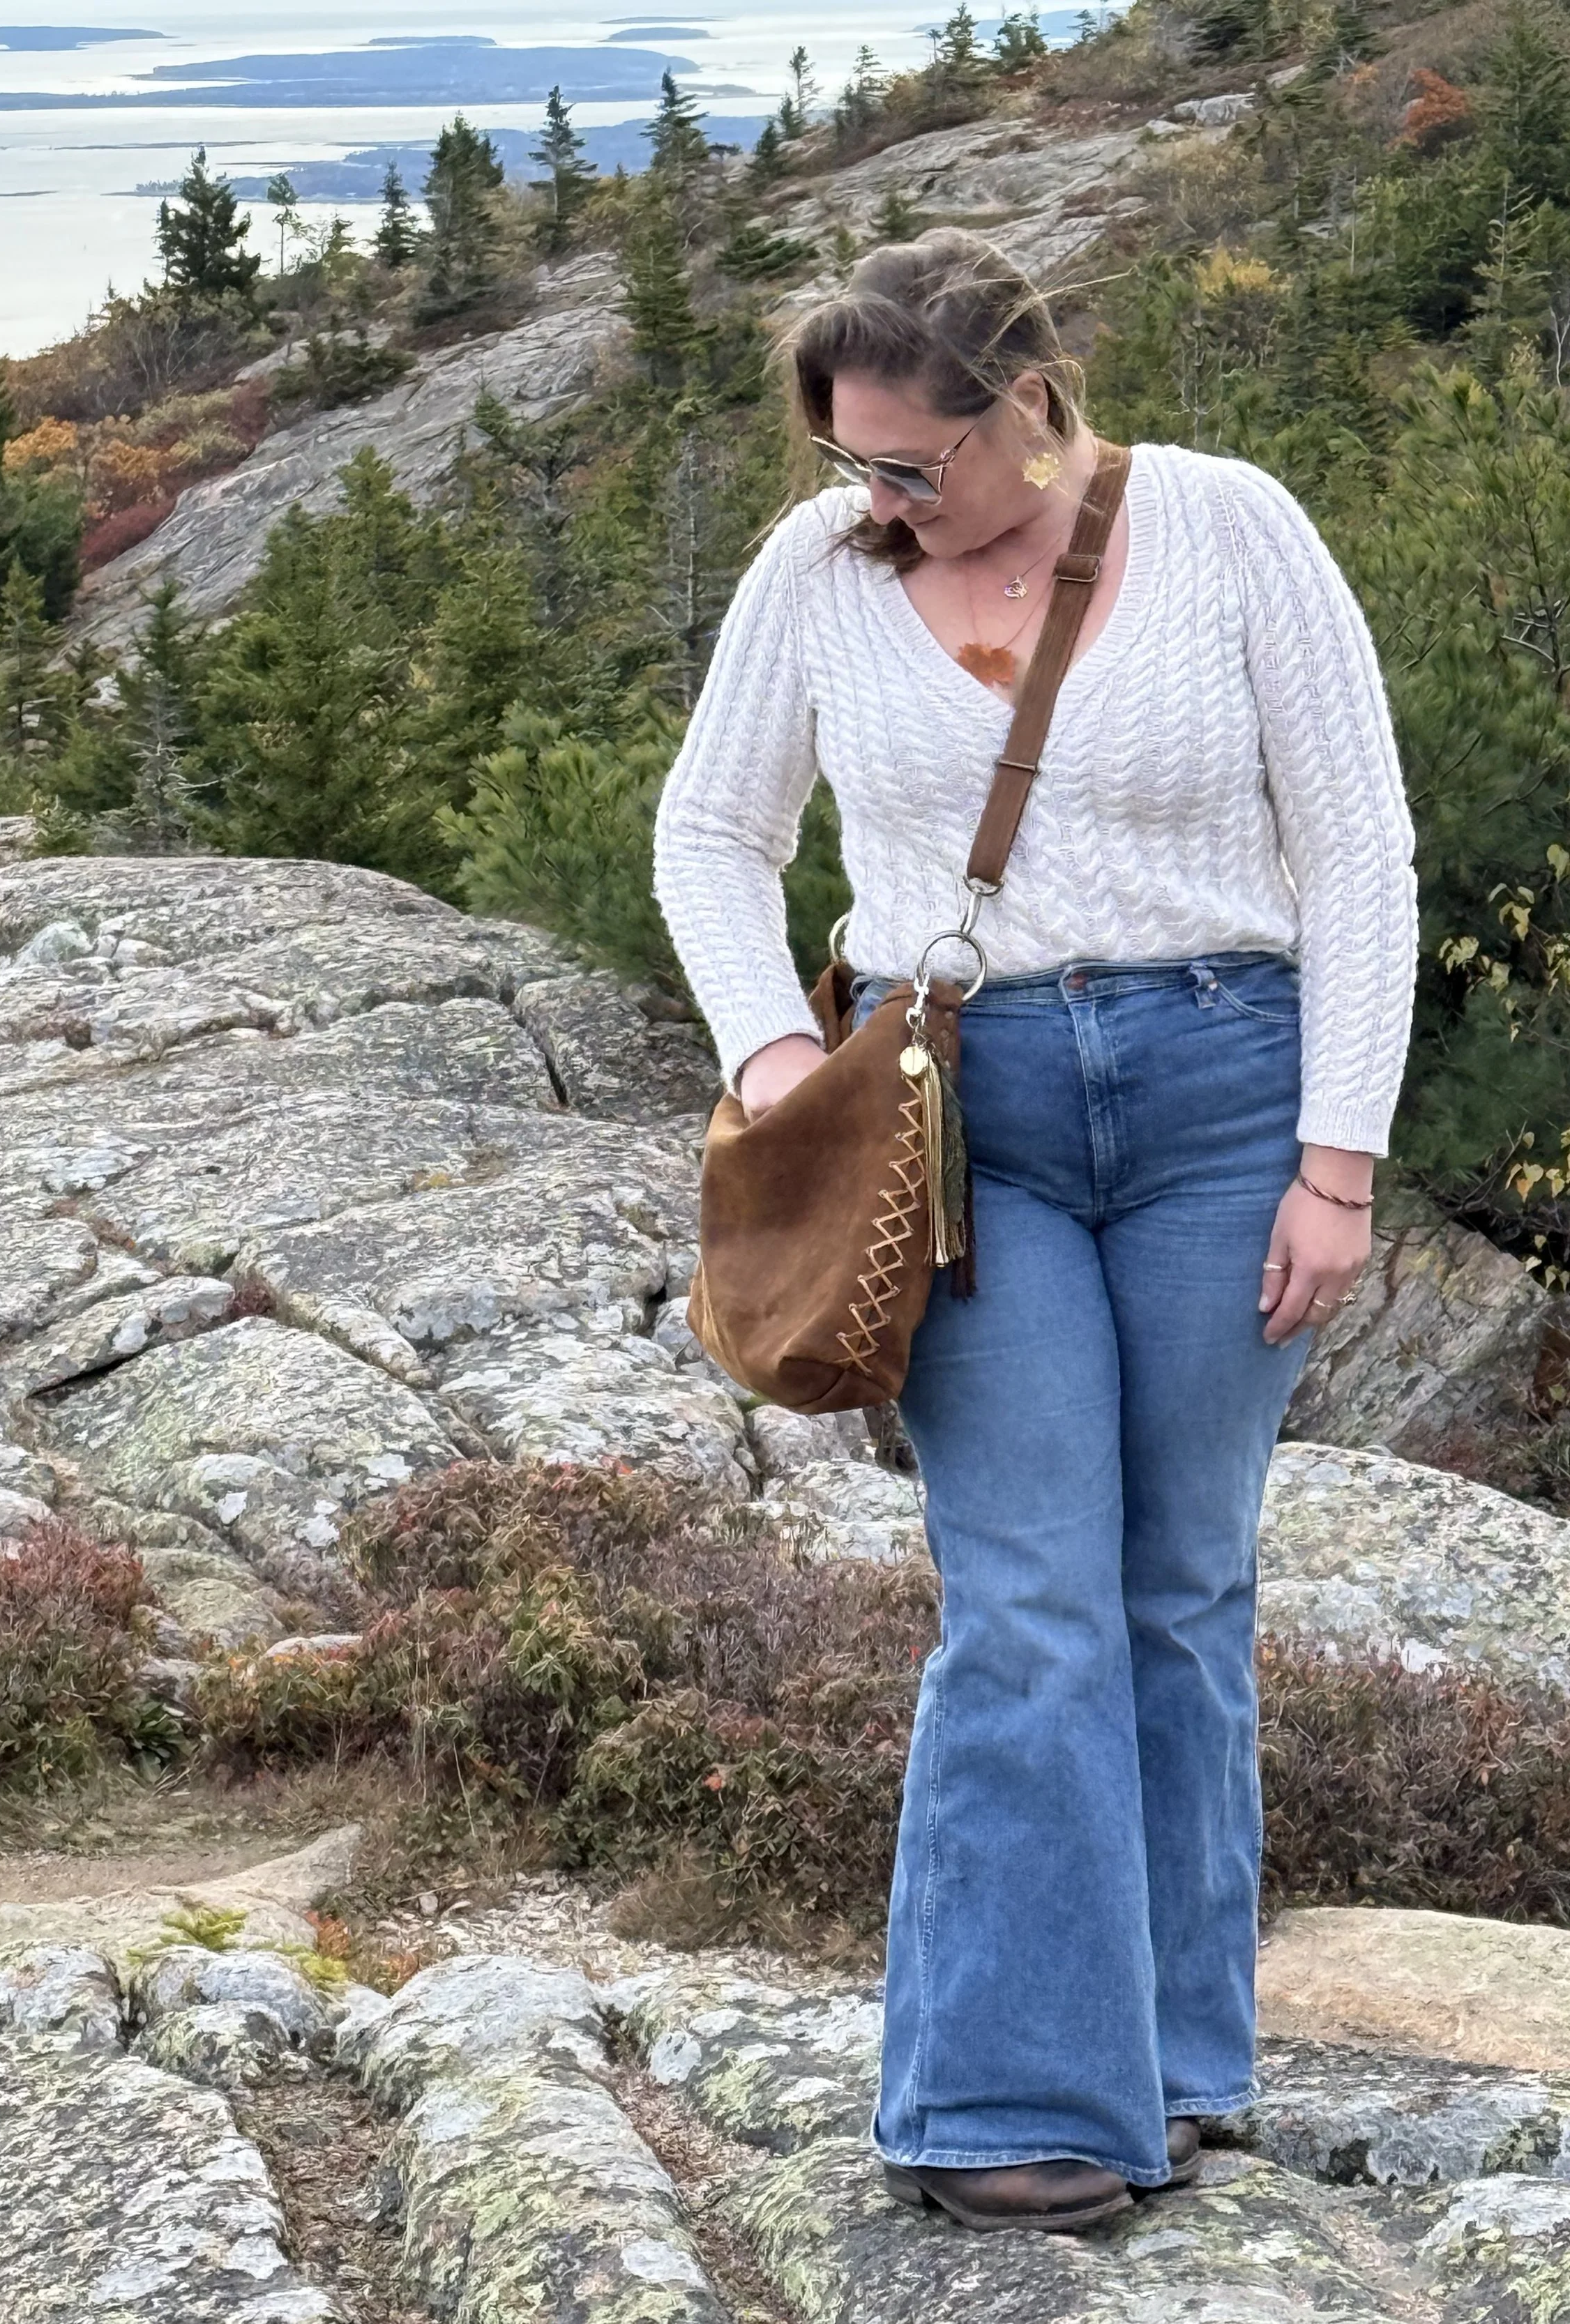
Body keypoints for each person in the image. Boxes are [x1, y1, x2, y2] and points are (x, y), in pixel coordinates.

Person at [651, 229, 1417, 2234]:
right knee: (1028, 1593)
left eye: (911, 464)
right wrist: (762, 1057)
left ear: (1023, 402)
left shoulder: (1231, 528)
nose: (875, 502)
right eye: (852, 465)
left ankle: (1170, 2064)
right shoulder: (811, 579)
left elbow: (1355, 845)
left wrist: (1337, 1161)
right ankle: (1003, 2091)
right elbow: (705, 832)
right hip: (952, 1116)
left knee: (1178, 1578)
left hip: (1219, 1091)